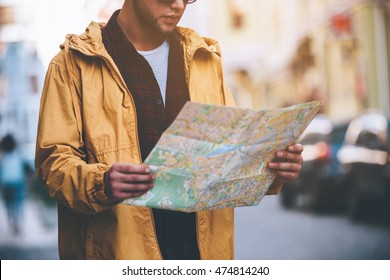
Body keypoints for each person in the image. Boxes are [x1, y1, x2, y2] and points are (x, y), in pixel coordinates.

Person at [35, 0, 304, 260]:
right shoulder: (71, 65)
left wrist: (272, 166)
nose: (178, 5)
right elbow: (52, 165)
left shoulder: (206, 60)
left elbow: (230, 159)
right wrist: (101, 184)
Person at [0, 134, 26, 235]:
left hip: (6, 184)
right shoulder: (19, 153)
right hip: (18, 183)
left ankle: (12, 222)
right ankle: (17, 223)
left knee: (8, 204)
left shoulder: (2, 155)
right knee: (18, 204)